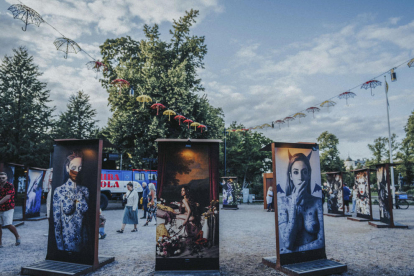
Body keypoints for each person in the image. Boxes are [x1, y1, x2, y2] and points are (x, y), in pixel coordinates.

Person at [278, 151, 324, 253]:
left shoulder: (317, 202)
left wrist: (296, 251)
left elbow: (321, 241)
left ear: (309, 175)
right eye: (295, 172)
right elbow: (287, 242)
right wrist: (294, 203)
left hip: (312, 258)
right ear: (291, 176)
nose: (300, 177)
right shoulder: (282, 202)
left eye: (304, 172)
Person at [53, 150, 89, 252]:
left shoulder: (84, 191)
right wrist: (60, 246)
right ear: (67, 168)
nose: (76, 171)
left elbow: (88, 219)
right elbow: (57, 222)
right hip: (67, 243)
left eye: (79, 168)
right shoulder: (59, 191)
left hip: (83, 241)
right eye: (73, 168)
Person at [0, 172, 21, 247]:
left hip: (8, 207)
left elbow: (7, 197)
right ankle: (0, 243)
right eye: (0, 178)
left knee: (8, 224)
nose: (1, 179)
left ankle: (17, 236)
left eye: (3, 178)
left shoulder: (10, 185)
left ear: (6, 178)